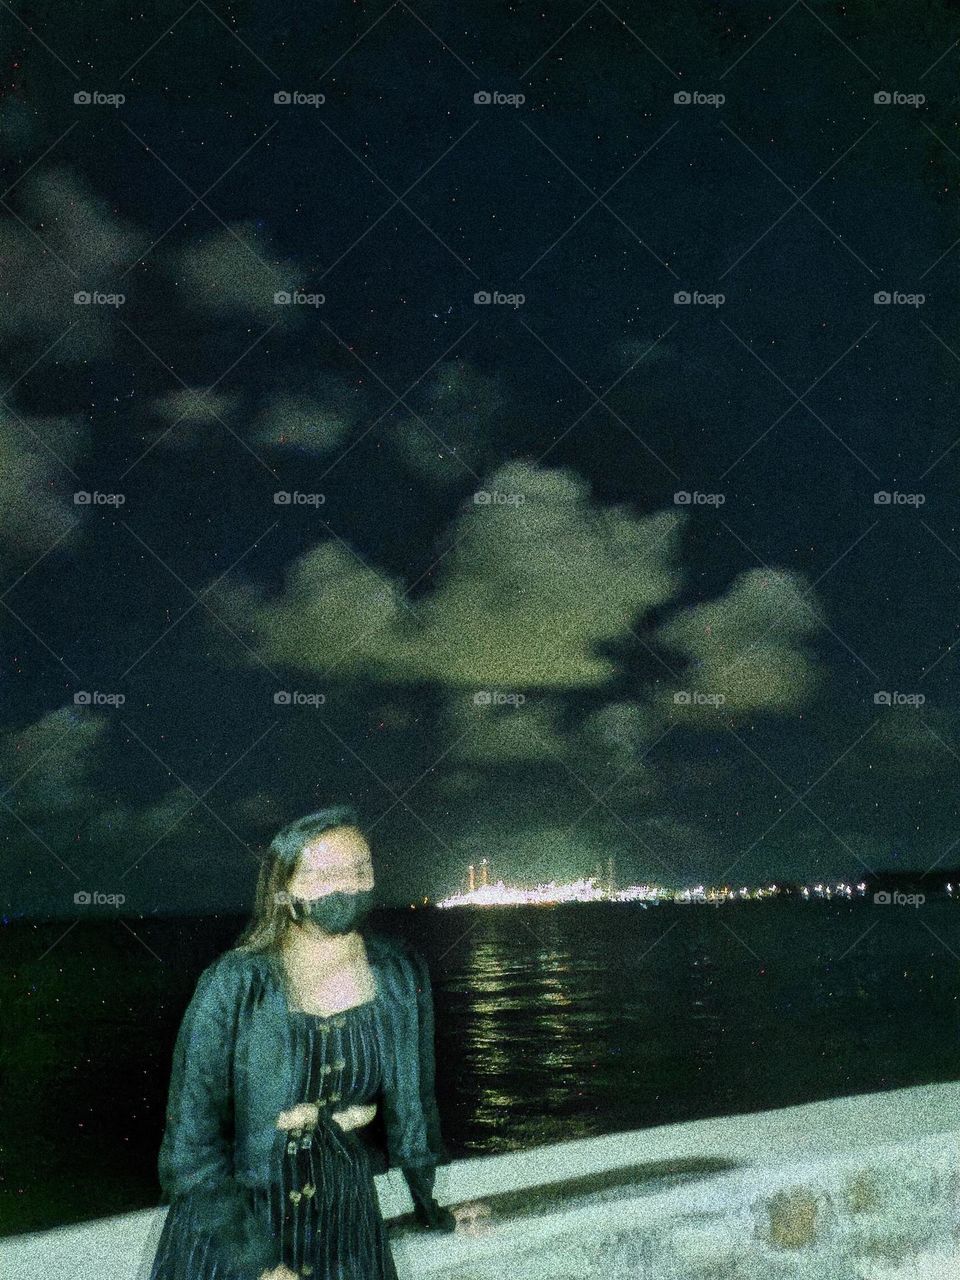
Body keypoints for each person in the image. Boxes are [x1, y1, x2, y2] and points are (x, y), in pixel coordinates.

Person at [148, 804, 485, 1280]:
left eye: (358, 869)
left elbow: (416, 1108)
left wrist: (433, 1207)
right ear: (285, 891)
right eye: (323, 873)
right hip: (233, 1237)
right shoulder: (234, 984)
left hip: (347, 1234)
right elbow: (189, 1151)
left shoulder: (399, 974)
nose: (345, 886)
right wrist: (260, 1265)